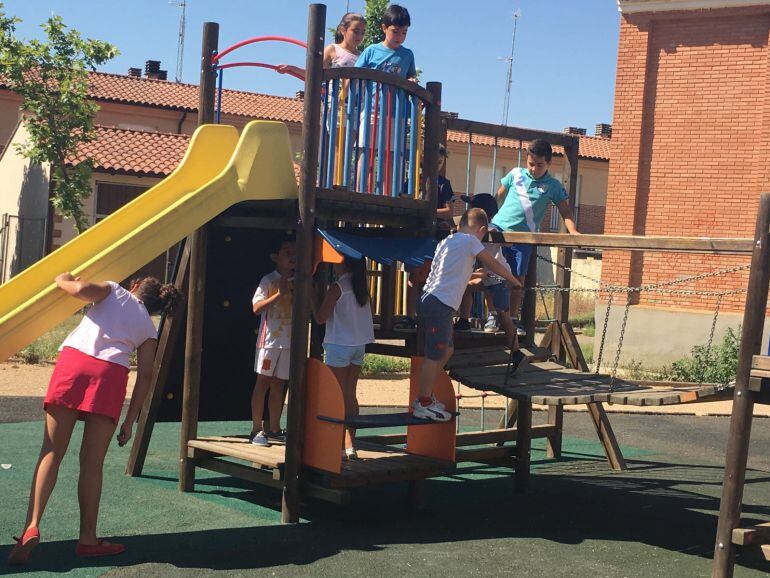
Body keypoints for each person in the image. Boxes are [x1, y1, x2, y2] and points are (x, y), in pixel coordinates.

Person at [8, 274, 181, 565]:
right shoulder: (148, 328)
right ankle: (88, 539)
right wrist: (129, 420)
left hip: (75, 364)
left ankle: (32, 526)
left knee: (51, 451)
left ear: (135, 286)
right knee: (92, 462)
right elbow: (147, 373)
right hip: (111, 375)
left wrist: (62, 278)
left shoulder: (113, 290)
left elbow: (78, 289)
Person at [414, 208, 522, 421]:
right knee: (434, 354)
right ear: (482, 229)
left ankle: (426, 395)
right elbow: (493, 262)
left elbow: (450, 272)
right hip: (439, 304)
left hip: (431, 299)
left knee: (447, 350)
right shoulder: (471, 241)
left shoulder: (447, 241)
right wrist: (513, 279)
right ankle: (422, 402)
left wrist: (474, 274)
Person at [491, 139, 579, 332]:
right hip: (499, 230)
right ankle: (494, 316)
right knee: (494, 275)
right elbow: (498, 197)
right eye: (531, 164)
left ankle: (513, 318)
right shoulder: (515, 174)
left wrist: (572, 231)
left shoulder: (553, 185)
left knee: (517, 279)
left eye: (539, 165)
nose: (534, 169)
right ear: (526, 160)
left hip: (524, 237)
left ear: (549, 164)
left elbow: (565, 211)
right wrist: (488, 220)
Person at [313, 256, 374, 460]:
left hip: (339, 344)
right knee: (349, 394)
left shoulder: (337, 287)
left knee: (335, 395)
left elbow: (320, 317)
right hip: (358, 345)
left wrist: (313, 299)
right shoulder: (361, 288)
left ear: (343, 263)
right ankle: (350, 445)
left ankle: (334, 443)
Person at [396, 144, 455, 331]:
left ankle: (427, 315)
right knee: (413, 276)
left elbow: (448, 211)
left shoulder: (443, 183)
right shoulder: (412, 181)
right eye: (433, 161)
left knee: (431, 276)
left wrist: (427, 211)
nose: (437, 165)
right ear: (421, 159)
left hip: (433, 236)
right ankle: (409, 315)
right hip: (413, 234)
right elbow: (404, 203)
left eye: (440, 162)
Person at [454, 194, 517, 350]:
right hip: (485, 275)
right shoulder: (472, 232)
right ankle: (464, 320)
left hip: (499, 277)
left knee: (504, 316)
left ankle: (515, 350)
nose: (468, 211)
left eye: (471, 208)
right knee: (465, 288)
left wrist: (498, 237)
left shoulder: (490, 230)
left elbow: (508, 243)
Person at [250, 236, 296, 447]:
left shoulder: (300, 280)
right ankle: (257, 429)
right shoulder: (268, 280)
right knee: (263, 382)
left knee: (279, 385)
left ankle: (275, 428)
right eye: (287, 251)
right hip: (269, 341)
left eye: (295, 251)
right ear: (276, 257)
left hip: (289, 342)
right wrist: (279, 294)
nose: (292, 255)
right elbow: (256, 308)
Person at [277, 12, 366, 78]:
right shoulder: (333, 49)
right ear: (343, 30)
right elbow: (314, 74)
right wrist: (291, 69)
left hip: (357, 102)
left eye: (363, 32)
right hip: (335, 101)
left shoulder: (362, 55)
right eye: (356, 31)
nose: (360, 36)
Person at [355, 4, 416, 80]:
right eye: (395, 31)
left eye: (404, 32)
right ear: (384, 28)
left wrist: (412, 80)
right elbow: (354, 74)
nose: (399, 36)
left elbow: (411, 78)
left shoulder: (408, 55)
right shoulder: (371, 51)